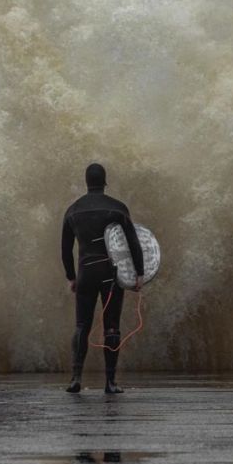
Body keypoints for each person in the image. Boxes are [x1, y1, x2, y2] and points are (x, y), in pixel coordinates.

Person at [61, 163, 144, 394]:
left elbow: (65, 250)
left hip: (86, 272)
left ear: (86, 182)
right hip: (111, 273)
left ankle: (75, 378)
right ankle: (110, 382)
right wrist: (139, 273)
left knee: (81, 326)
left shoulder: (73, 210)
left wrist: (71, 277)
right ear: (105, 181)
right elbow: (133, 243)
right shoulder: (117, 208)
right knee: (111, 326)